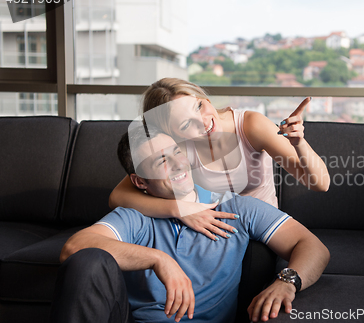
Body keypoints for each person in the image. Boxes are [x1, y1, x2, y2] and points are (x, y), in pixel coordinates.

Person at [51, 125, 330, 323]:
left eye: (176, 152)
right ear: (140, 182)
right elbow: (75, 248)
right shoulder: (135, 217)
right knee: (88, 262)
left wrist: (287, 282)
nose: (177, 164)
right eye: (161, 160)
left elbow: (312, 246)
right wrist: (158, 259)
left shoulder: (236, 207)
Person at [109, 78, 330, 241]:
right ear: (172, 134)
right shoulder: (179, 150)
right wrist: (179, 210)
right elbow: (118, 196)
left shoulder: (250, 125)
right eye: (186, 124)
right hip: (214, 232)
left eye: (198, 106)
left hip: (261, 230)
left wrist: (298, 142)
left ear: (204, 98)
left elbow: (321, 184)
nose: (203, 121)